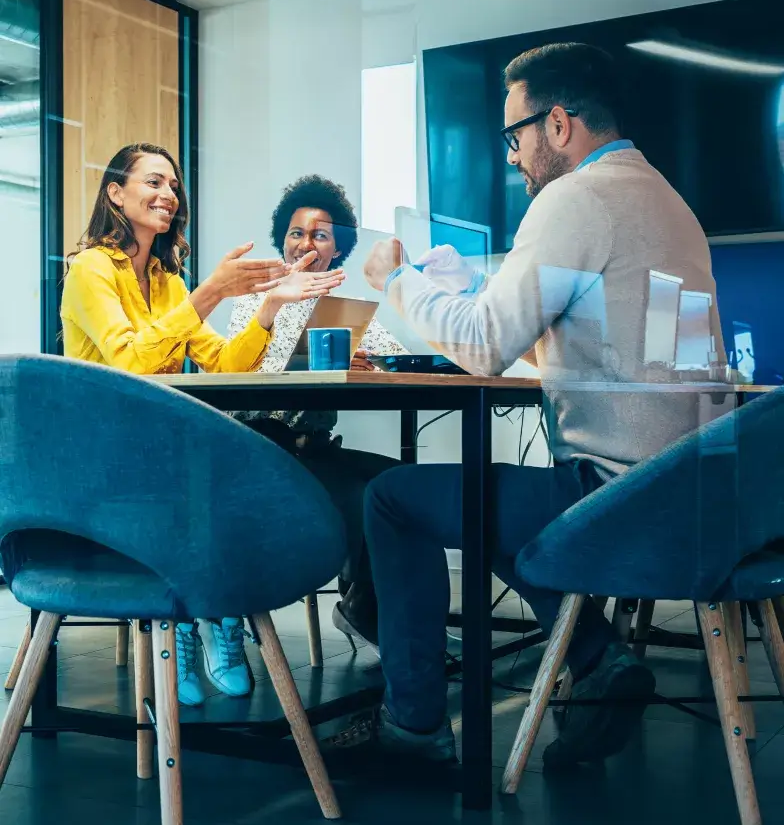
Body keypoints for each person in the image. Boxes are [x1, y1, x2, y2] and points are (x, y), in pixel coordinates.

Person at [359, 43, 725, 766]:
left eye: (514, 136)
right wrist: (471, 296)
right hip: (692, 495)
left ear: (558, 124)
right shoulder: (664, 201)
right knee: (493, 493)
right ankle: (595, 658)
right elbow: (634, 351)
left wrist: (398, 279)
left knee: (393, 499)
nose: (510, 157)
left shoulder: (576, 198)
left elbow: (483, 348)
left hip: (617, 504)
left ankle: (413, 728)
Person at [60, 143, 345, 707]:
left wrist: (267, 307)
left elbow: (226, 364)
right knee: (217, 470)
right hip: (105, 454)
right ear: (116, 193)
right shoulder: (91, 268)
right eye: (154, 183)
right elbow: (128, 363)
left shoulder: (167, 279)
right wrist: (212, 290)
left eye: (174, 186)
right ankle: (202, 615)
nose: (169, 195)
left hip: (161, 446)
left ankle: (208, 615)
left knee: (231, 463)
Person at [227, 174, 407, 645]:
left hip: (316, 450)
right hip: (261, 450)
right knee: (362, 494)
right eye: (296, 233)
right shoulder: (254, 298)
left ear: (336, 249)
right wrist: (317, 344)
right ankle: (368, 612)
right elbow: (248, 370)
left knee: (398, 484)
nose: (306, 243)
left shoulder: (344, 307)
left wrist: (372, 363)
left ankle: (366, 606)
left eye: (320, 234)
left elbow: (393, 363)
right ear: (282, 240)